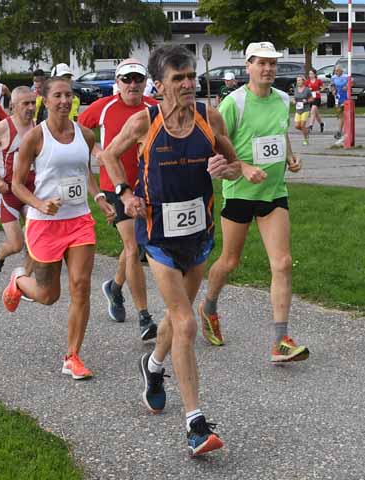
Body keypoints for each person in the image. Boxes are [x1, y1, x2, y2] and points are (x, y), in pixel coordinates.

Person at [101, 44, 242, 455]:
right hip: (158, 237)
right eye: (177, 78)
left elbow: (231, 162)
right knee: (185, 323)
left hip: (198, 237)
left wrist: (226, 168)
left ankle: (153, 365)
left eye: (190, 76)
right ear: (158, 86)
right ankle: (195, 424)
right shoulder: (145, 121)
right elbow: (109, 155)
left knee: (175, 322)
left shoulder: (208, 117)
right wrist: (125, 193)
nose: (186, 84)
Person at [198, 42, 309, 364]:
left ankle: (280, 340)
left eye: (273, 64)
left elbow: (280, 132)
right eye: (261, 63)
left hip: (274, 193)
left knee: (283, 262)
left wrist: (290, 157)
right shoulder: (235, 103)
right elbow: (220, 147)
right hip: (240, 193)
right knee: (230, 262)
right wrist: (244, 168)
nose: (268, 69)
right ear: (248, 66)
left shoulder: (283, 99)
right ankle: (209, 306)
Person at [2, 77, 116, 380]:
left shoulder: (86, 135)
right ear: (46, 100)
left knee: (80, 286)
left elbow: (84, 173)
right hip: (45, 224)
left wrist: (100, 198)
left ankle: (72, 356)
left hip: (79, 220)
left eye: (69, 95)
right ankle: (18, 281)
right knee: (48, 295)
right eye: (58, 96)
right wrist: (39, 204)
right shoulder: (35, 138)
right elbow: (15, 183)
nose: (64, 101)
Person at [78, 58, 158, 340]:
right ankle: (145, 317)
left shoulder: (152, 107)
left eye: (138, 79)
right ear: (118, 82)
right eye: (127, 80)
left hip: (148, 186)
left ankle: (115, 286)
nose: (133, 85)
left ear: (145, 81)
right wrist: (98, 151)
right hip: (114, 185)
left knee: (135, 247)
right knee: (133, 246)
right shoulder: (104, 107)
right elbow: (80, 129)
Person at [0, 86, 37, 287]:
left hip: (31, 192)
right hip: (8, 193)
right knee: (16, 244)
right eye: (26, 103)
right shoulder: (3, 128)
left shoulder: (39, 128)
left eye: (33, 103)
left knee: (36, 237)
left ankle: (24, 281)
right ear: (13, 106)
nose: (31, 108)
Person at [293, 75, 313, 145]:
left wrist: (307, 101)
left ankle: (306, 139)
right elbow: (294, 98)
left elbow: (311, 99)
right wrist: (294, 101)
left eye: (299, 80)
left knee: (302, 125)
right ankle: (306, 131)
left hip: (305, 109)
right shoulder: (295, 89)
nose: (298, 82)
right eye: (297, 80)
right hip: (298, 109)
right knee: (296, 126)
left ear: (303, 81)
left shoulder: (307, 90)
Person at [331, 65, 347, 140]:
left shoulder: (346, 76)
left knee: (342, 114)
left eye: (337, 70)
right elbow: (332, 85)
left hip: (346, 97)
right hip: (338, 97)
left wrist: (347, 86)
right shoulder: (334, 77)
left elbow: (353, 82)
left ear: (341, 71)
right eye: (335, 70)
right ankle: (341, 131)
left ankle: (340, 131)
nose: (336, 72)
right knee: (340, 115)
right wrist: (333, 90)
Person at [306, 68, 324, 133]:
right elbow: (305, 89)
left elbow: (323, 87)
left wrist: (319, 91)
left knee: (313, 110)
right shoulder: (307, 81)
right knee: (316, 114)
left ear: (315, 74)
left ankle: (310, 126)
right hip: (311, 98)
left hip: (317, 98)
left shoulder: (318, 81)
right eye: (309, 74)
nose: (310, 75)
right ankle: (321, 123)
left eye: (311, 74)